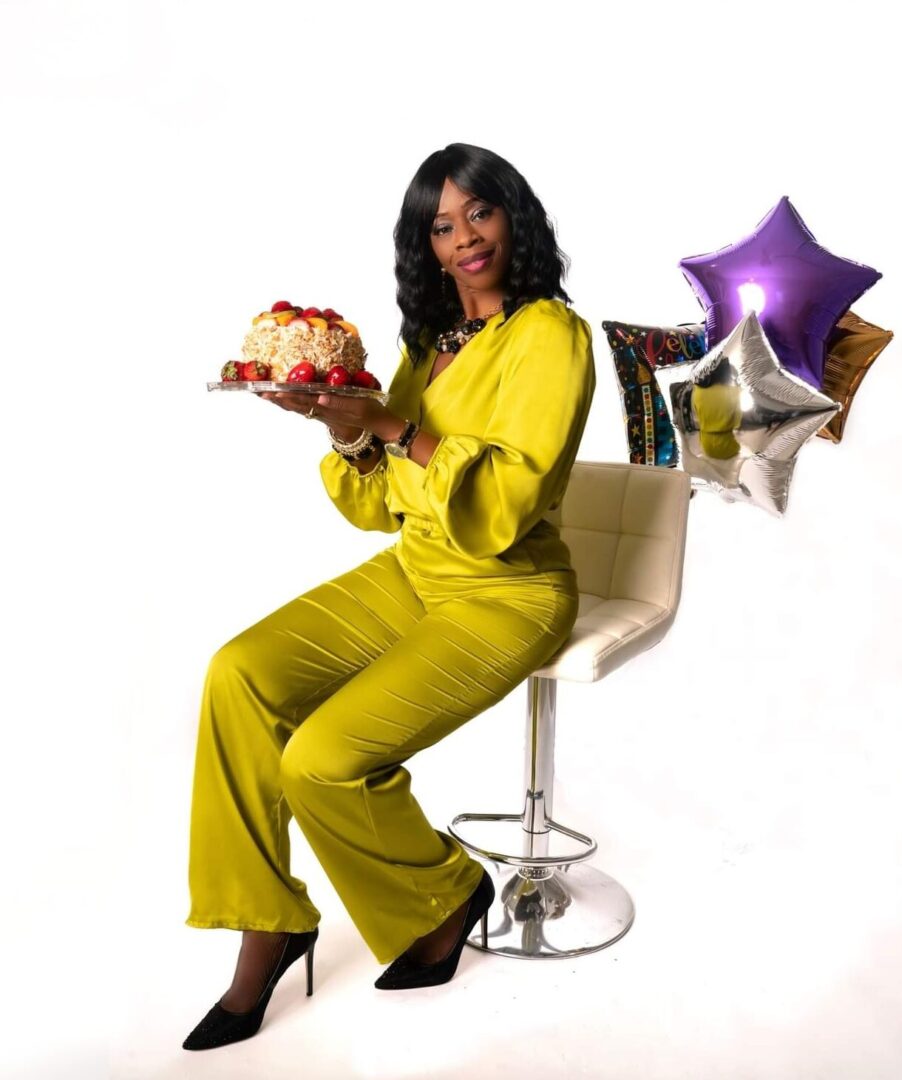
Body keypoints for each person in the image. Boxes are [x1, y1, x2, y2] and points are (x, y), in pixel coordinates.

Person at [182, 142, 597, 1051]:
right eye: (440, 226)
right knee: (236, 674)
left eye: (477, 213)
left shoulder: (551, 335)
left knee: (320, 759)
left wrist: (391, 426)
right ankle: (269, 919)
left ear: (510, 214)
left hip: (508, 591)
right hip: (414, 571)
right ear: (426, 243)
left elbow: (506, 504)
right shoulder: (430, 341)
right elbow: (378, 506)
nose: (464, 239)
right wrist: (346, 429)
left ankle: (446, 890)